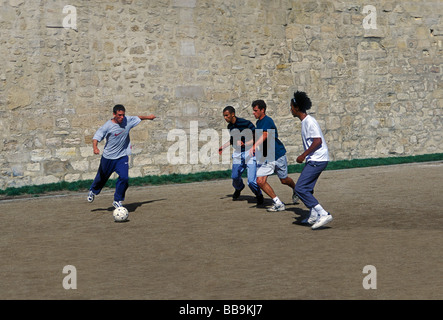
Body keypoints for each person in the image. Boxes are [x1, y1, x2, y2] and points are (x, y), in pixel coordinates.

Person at [87, 104, 156, 208]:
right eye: (119, 115)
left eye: (123, 115)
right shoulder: (107, 126)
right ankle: (93, 191)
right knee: (101, 178)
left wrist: (149, 117)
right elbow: (96, 137)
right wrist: (95, 148)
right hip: (108, 157)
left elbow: (139, 117)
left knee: (124, 178)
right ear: (114, 114)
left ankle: (117, 200)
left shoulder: (127, 121)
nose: (121, 117)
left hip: (122, 156)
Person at [290, 91, 333, 229]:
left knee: (300, 188)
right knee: (307, 188)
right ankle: (314, 215)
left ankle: (323, 213)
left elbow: (318, 141)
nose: (290, 109)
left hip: (317, 159)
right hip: (315, 159)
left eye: (291, 107)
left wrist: (303, 155)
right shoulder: (305, 122)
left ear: (296, 108)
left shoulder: (309, 122)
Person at [249, 100, 299, 212]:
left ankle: (296, 189)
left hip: (278, 155)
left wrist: (254, 146)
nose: (253, 113)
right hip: (267, 157)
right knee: (260, 181)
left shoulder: (267, 120)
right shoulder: (258, 123)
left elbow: (266, 135)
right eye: (253, 110)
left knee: (284, 180)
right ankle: (278, 203)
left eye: (255, 110)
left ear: (263, 110)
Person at [219, 106, 264, 205]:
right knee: (235, 176)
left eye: (227, 115)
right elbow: (233, 140)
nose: (225, 118)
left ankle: (259, 195)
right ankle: (239, 188)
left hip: (250, 152)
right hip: (238, 153)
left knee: (251, 181)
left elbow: (257, 134)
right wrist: (223, 147)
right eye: (224, 116)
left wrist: (248, 143)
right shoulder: (230, 127)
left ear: (232, 114)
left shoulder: (245, 123)